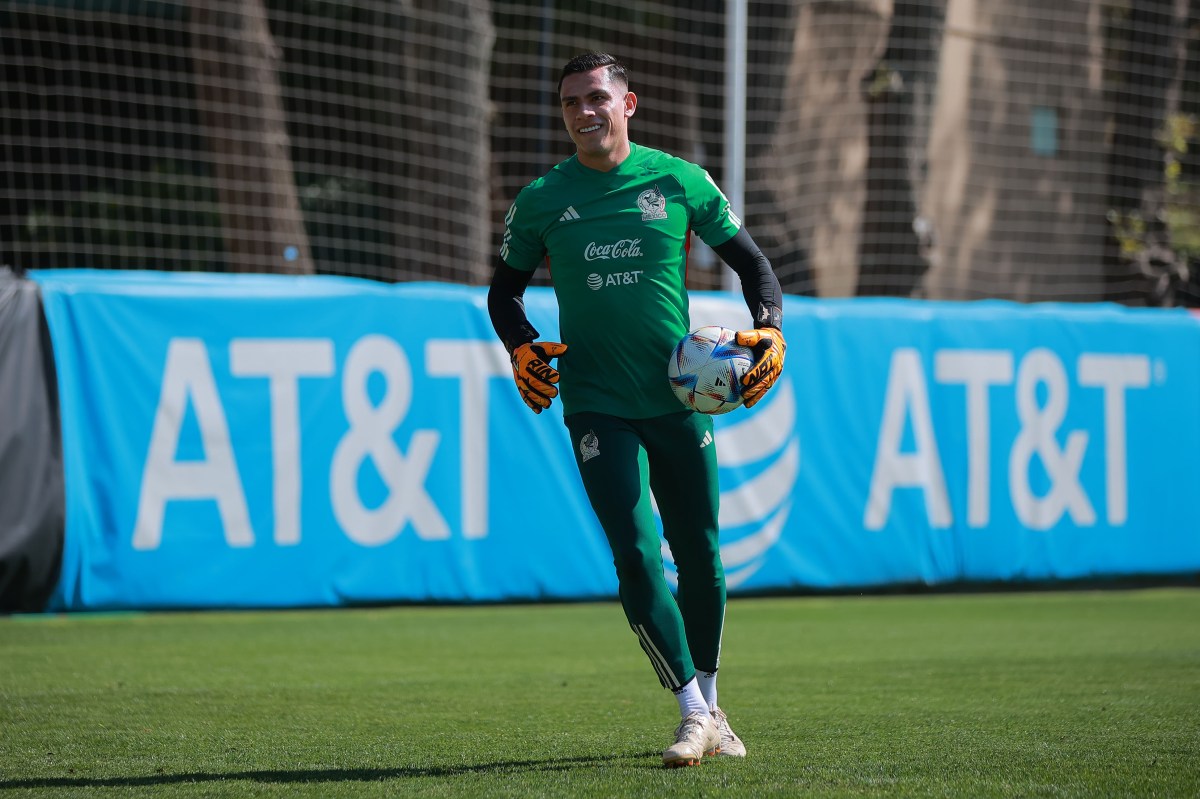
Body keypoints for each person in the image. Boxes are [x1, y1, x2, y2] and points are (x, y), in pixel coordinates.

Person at [488, 52, 786, 768]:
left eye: (596, 98)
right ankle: (690, 710)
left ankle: (712, 705)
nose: (584, 112)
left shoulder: (677, 180)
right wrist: (523, 346)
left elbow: (753, 265)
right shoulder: (541, 199)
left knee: (703, 555)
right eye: (570, 104)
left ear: (629, 104)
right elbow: (504, 294)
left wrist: (770, 326)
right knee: (635, 552)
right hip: (594, 402)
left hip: (681, 399)